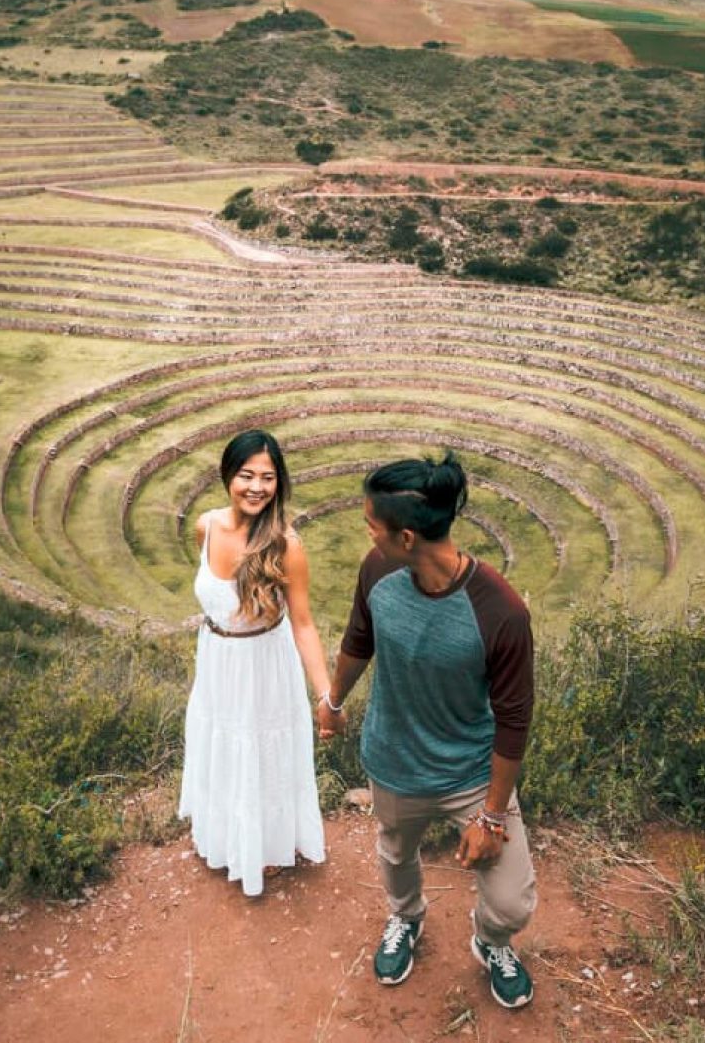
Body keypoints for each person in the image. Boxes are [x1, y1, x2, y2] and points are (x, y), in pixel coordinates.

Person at [316, 451, 536, 1010]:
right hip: (393, 761)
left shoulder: (500, 611)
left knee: (512, 902)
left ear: (407, 536)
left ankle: (491, 941)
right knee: (395, 854)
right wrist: (333, 701)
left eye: (372, 524)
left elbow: (513, 722)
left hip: (468, 773)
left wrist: (490, 815)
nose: (367, 534)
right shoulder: (377, 570)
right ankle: (406, 919)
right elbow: (357, 642)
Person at [179, 429, 340, 897]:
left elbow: (304, 624)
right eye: (246, 475)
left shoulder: (287, 545)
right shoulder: (205, 526)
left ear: (279, 483)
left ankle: (267, 847)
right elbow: (216, 599)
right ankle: (225, 838)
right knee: (222, 745)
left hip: (264, 664)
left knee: (261, 752)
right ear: (227, 476)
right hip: (216, 659)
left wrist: (326, 694)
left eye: (267, 478)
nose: (256, 487)